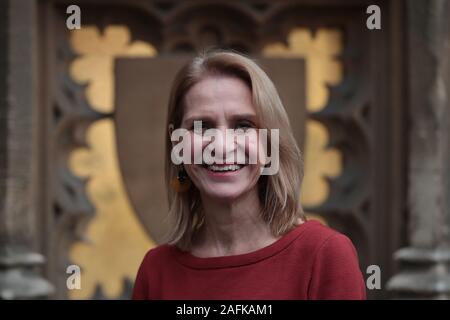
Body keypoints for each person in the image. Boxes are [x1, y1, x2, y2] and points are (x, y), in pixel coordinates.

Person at [132, 50, 366, 300]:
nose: (221, 147)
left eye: (243, 125)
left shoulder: (324, 256)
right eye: (202, 126)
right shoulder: (156, 271)